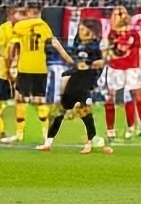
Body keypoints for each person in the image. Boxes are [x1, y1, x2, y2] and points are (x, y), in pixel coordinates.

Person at [7, 1, 71, 147]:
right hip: (40, 68)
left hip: (25, 67)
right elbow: (54, 43)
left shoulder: (20, 26)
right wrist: (68, 58)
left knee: (19, 98)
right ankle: (46, 136)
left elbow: (12, 47)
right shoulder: (43, 26)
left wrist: (9, 63)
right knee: (40, 100)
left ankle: (19, 133)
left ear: (29, 11)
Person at [39, 18, 107, 153]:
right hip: (76, 77)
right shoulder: (78, 45)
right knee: (61, 110)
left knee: (82, 108)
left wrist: (99, 62)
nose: (80, 32)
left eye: (83, 29)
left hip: (88, 79)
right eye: (80, 29)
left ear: (91, 32)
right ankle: (48, 142)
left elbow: (104, 59)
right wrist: (58, 46)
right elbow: (72, 62)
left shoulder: (97, 45)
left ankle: (89, 143)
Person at [102, 5, 141, 144]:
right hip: (115, 68)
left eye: (121, 14)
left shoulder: (134, 34)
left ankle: (131, 127)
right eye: (116, 14)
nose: (119, 17)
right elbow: (107, 52)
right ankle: (110, 130)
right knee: (110, 97)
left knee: (130, 96)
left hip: (132, 68)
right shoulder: (111, 34)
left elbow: (140, 51)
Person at [0, 6, 20, 144]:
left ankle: (19, 132)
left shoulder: (25, 28)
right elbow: (4, 48)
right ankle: (1, 131)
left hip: (22, 68)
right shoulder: (4, 28)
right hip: (4, 69)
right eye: (15, 13)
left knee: (22, 102)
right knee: (0, 102)